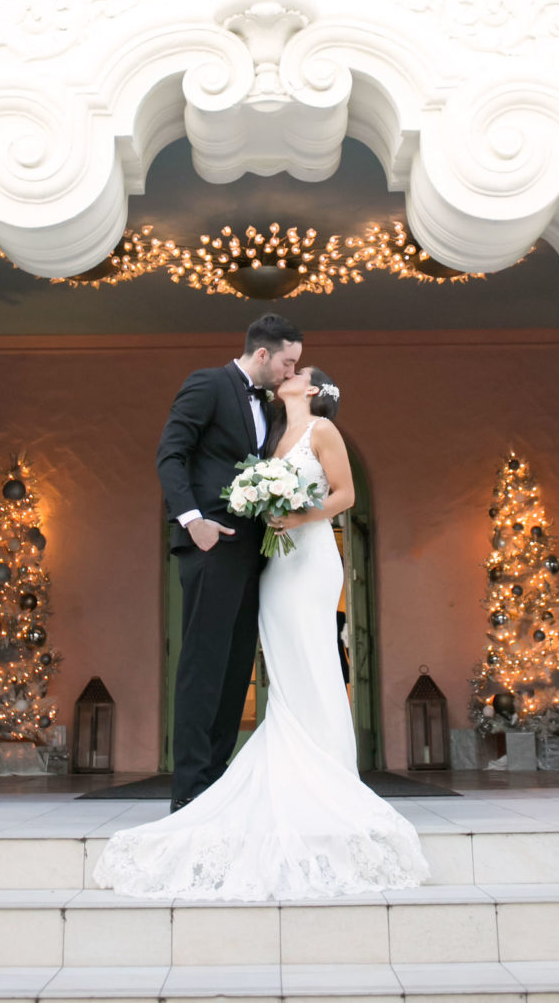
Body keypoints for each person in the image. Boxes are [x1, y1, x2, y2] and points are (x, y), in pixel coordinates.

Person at [95, 366, 431, 900]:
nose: (288, 374)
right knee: (281, 662)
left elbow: (345, 496)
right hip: (276, 564)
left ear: (315, 391)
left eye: (300, 372)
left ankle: (332, 777)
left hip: (311, 556)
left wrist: (299, 518)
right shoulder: (274, 438)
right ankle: (289, 770)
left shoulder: (324, 431)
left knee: (312, 657)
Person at [157, 313, 304, 812]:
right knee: (204, 665)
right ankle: (189, 790)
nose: (289, 373)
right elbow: (170, 454)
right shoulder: (207, 384)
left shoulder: (266, 404)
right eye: (287, 363)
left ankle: (216, 784)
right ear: (261, 354)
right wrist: (192, 520)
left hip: (251, 552)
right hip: (211, 543)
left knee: (235, 665)